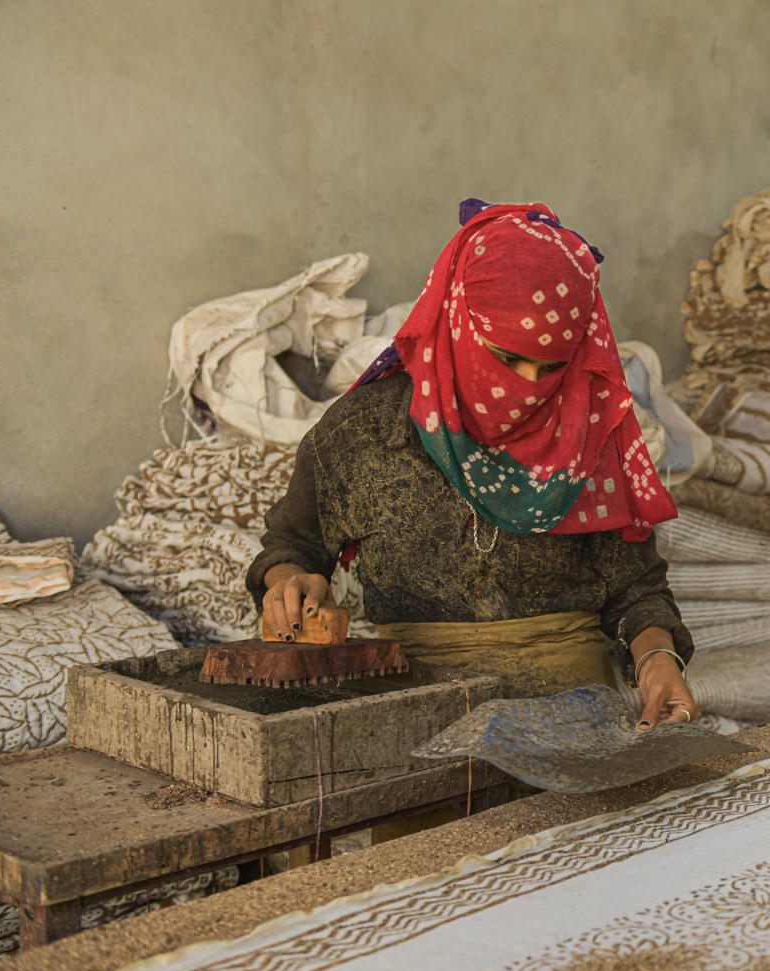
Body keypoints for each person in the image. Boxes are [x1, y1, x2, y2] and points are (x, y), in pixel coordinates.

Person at [246, 200, 698, 732]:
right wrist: (292, 584)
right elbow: (292, 546)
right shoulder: (363, 430)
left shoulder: (588, 434)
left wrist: (656, 661)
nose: (527, 388)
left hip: (569, 718)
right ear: (457, 322)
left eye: (549, 368)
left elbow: (635, 590)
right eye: (506, 358)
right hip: (410, 718)